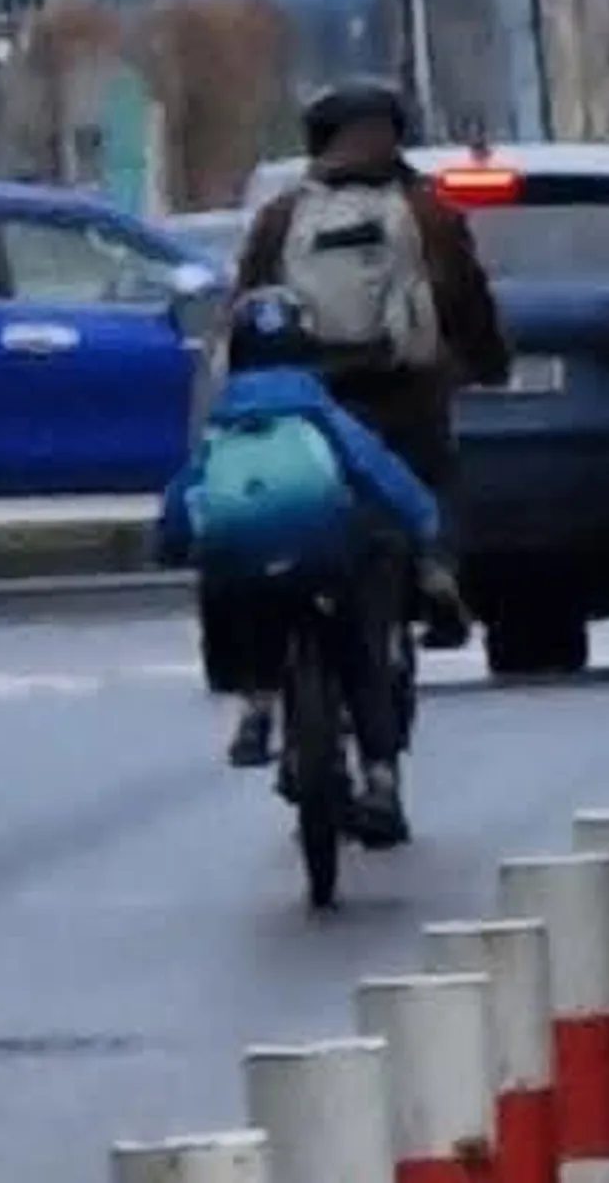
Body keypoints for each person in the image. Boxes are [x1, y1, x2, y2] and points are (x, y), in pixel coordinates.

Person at [229, 82, 512, 788]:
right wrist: (487, 364)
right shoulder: (426, 214)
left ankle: (263, 695)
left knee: (275, 525)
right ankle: (438, 572)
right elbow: (467, 306)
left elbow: (244, 311)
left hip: (306, 408)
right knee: (431, 478)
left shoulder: (281, 218)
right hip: (404, 402)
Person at [162, 289, 444, 846]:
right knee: (361, 649)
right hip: (326, 557)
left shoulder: (222, 424)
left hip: (246, 570)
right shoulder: (321, 412)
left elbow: (184, 499)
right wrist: (426, 528)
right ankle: (381, 779)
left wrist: (170, 544)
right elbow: (381, 476)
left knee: (232, 593)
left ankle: (256, 706)